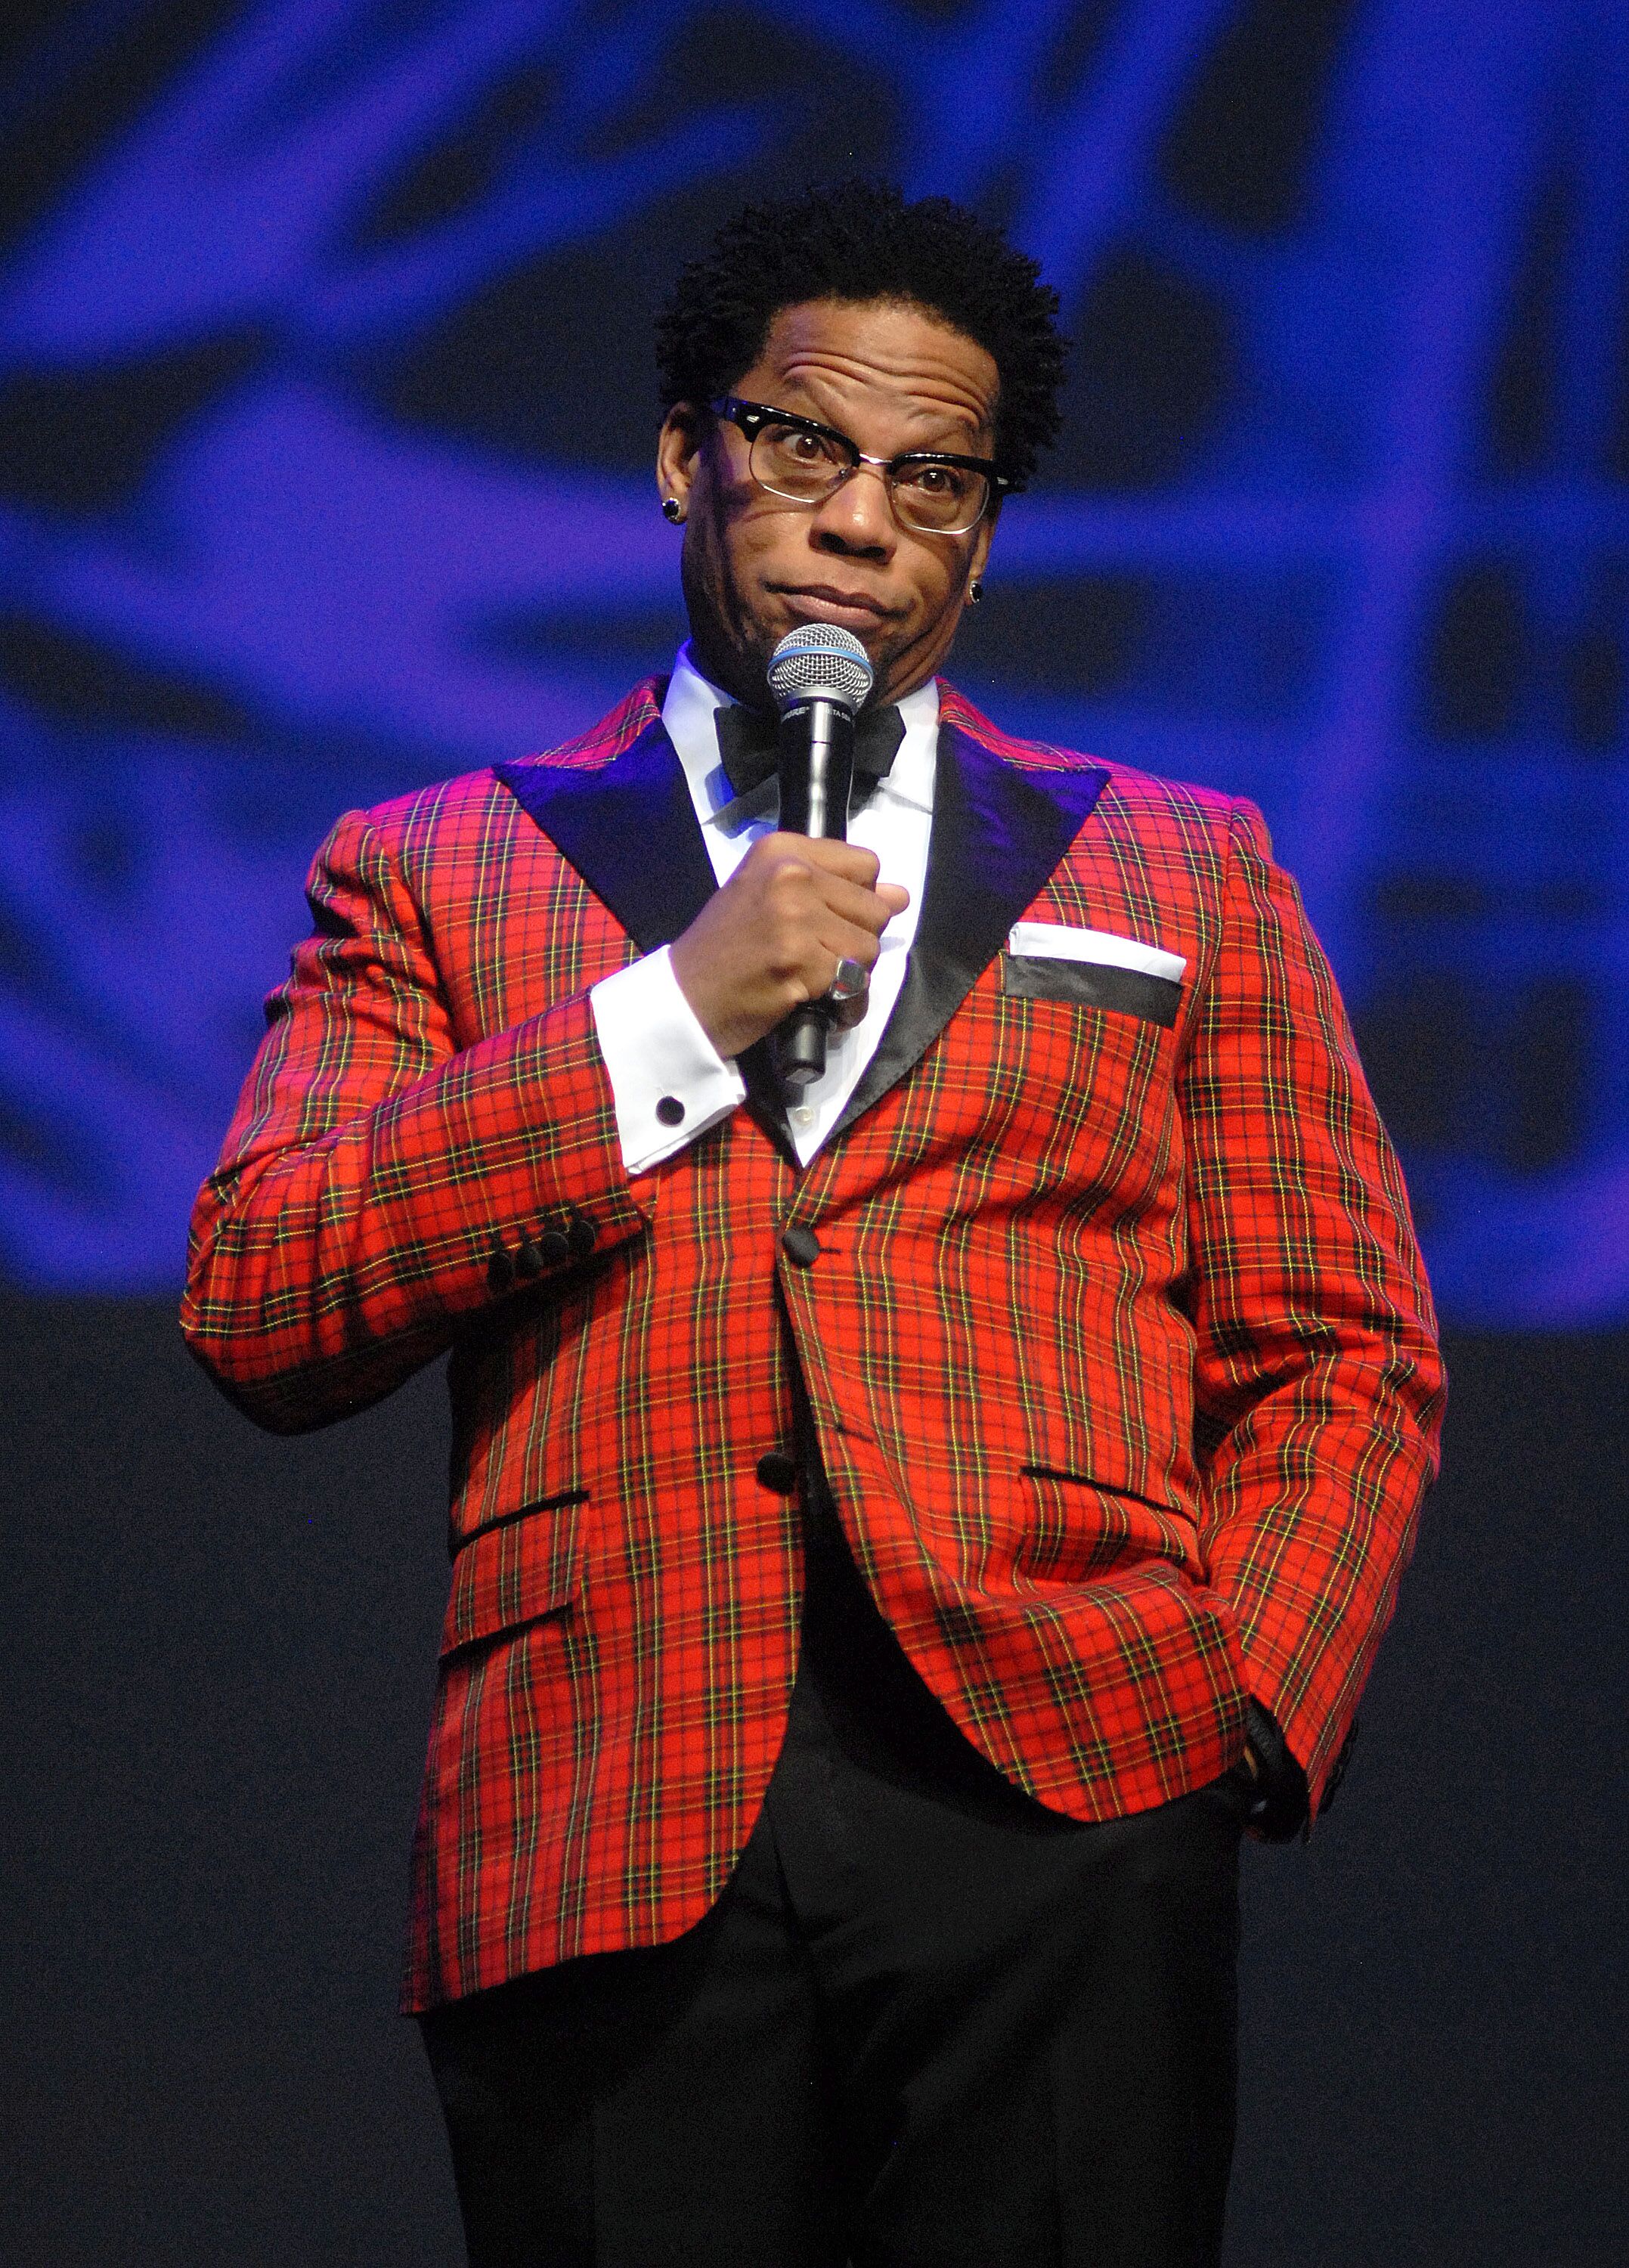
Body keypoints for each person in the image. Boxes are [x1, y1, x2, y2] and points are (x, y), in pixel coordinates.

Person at [182, 181, 1445, 2268]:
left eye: (930, 480)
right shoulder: (431, 869)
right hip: (610, 1801)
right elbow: (263, 1294)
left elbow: (1339, 1341)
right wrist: (664, 1014)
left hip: (1064, 1781)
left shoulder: (1183, 865)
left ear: (978, 531)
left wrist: (1232, 1716)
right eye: (801, 446)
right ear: (685, 454)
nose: (858, 520)